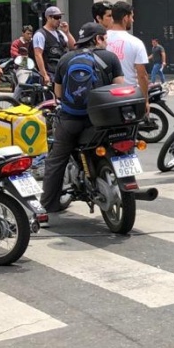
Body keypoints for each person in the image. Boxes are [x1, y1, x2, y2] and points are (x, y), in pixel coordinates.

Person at [39, 23, 124, 213]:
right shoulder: (110, 57)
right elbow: (119, 87)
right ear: (97, 39)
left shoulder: (66, 58)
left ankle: (47, 207)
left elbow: (58, 93)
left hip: (71, 120)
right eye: (105, 38)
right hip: (102, 122)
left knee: (56, 160)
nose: (107, 42)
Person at [106, 2, 149, 109]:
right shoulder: (136, 43)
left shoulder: (101, 39)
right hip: (128, 95)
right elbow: (142, 75)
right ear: (125, 18)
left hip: (105, 95)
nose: (133, 20)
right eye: (132, 17)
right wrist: (145, 101)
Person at [32, 7, 75, 85]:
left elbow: (73, 47)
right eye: (56, 17)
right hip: (51, 73)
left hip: (64, 72)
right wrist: (44, 75)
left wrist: (67, 32)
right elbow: (38, 54)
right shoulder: (40, 34)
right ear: (48, 17)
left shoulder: (60, 33)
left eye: (60, 17)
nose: (59, 20)